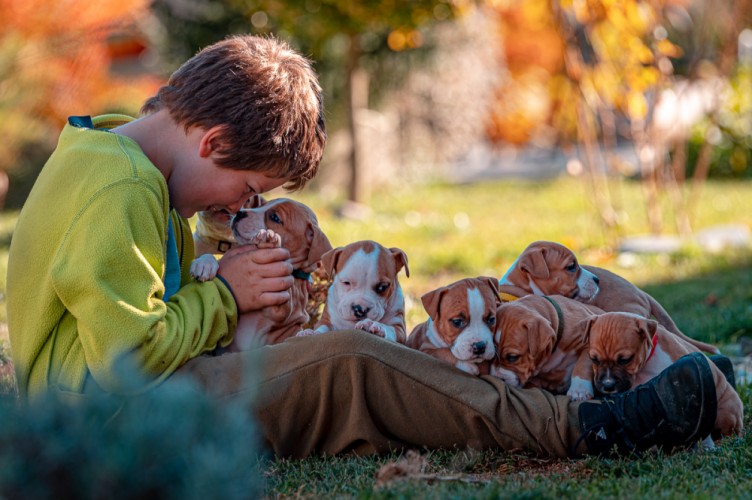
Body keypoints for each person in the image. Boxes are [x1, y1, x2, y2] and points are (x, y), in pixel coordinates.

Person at [6, 34, 721, 459]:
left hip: (126, 395)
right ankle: (590, 425)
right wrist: (226, 294)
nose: (245, 209)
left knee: (363, 343)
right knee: (352, 359)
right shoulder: (122, 190)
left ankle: (655, 365)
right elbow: (126, 356)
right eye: (250, 189)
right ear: (213, 143)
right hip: (107, 419)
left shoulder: (119, 153)